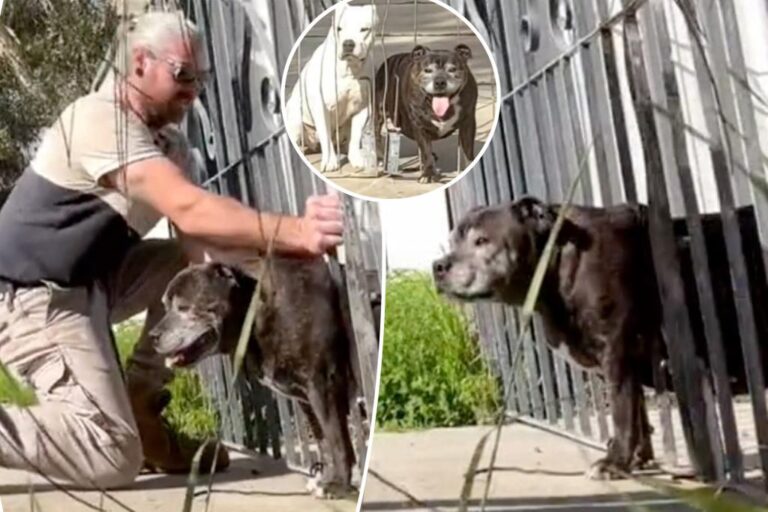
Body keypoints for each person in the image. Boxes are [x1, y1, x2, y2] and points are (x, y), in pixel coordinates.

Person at [0, 11, 343, 488]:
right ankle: (115, 432)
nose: (192, 91)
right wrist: (298, 231)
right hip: (32, 296)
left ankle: (140, 406)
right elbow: (189, 207)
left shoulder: (170, 146)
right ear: (140, 63)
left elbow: (197, 251)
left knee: (188, 275)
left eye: (201, 79)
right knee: (112, 457)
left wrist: (278, 288)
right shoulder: (97, 120)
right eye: (183, 75)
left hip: (90, 284)